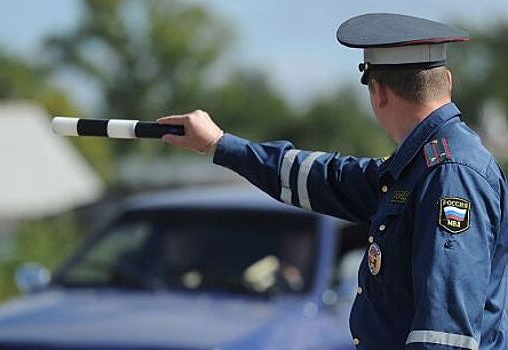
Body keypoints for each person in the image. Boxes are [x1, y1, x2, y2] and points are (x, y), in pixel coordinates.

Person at [157, 13, 508, 350]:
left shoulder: (448, 172)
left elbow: (445, 336)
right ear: (447, 81)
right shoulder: (420, 167)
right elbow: (326, 177)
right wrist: (219, 143)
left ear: (379, 92)